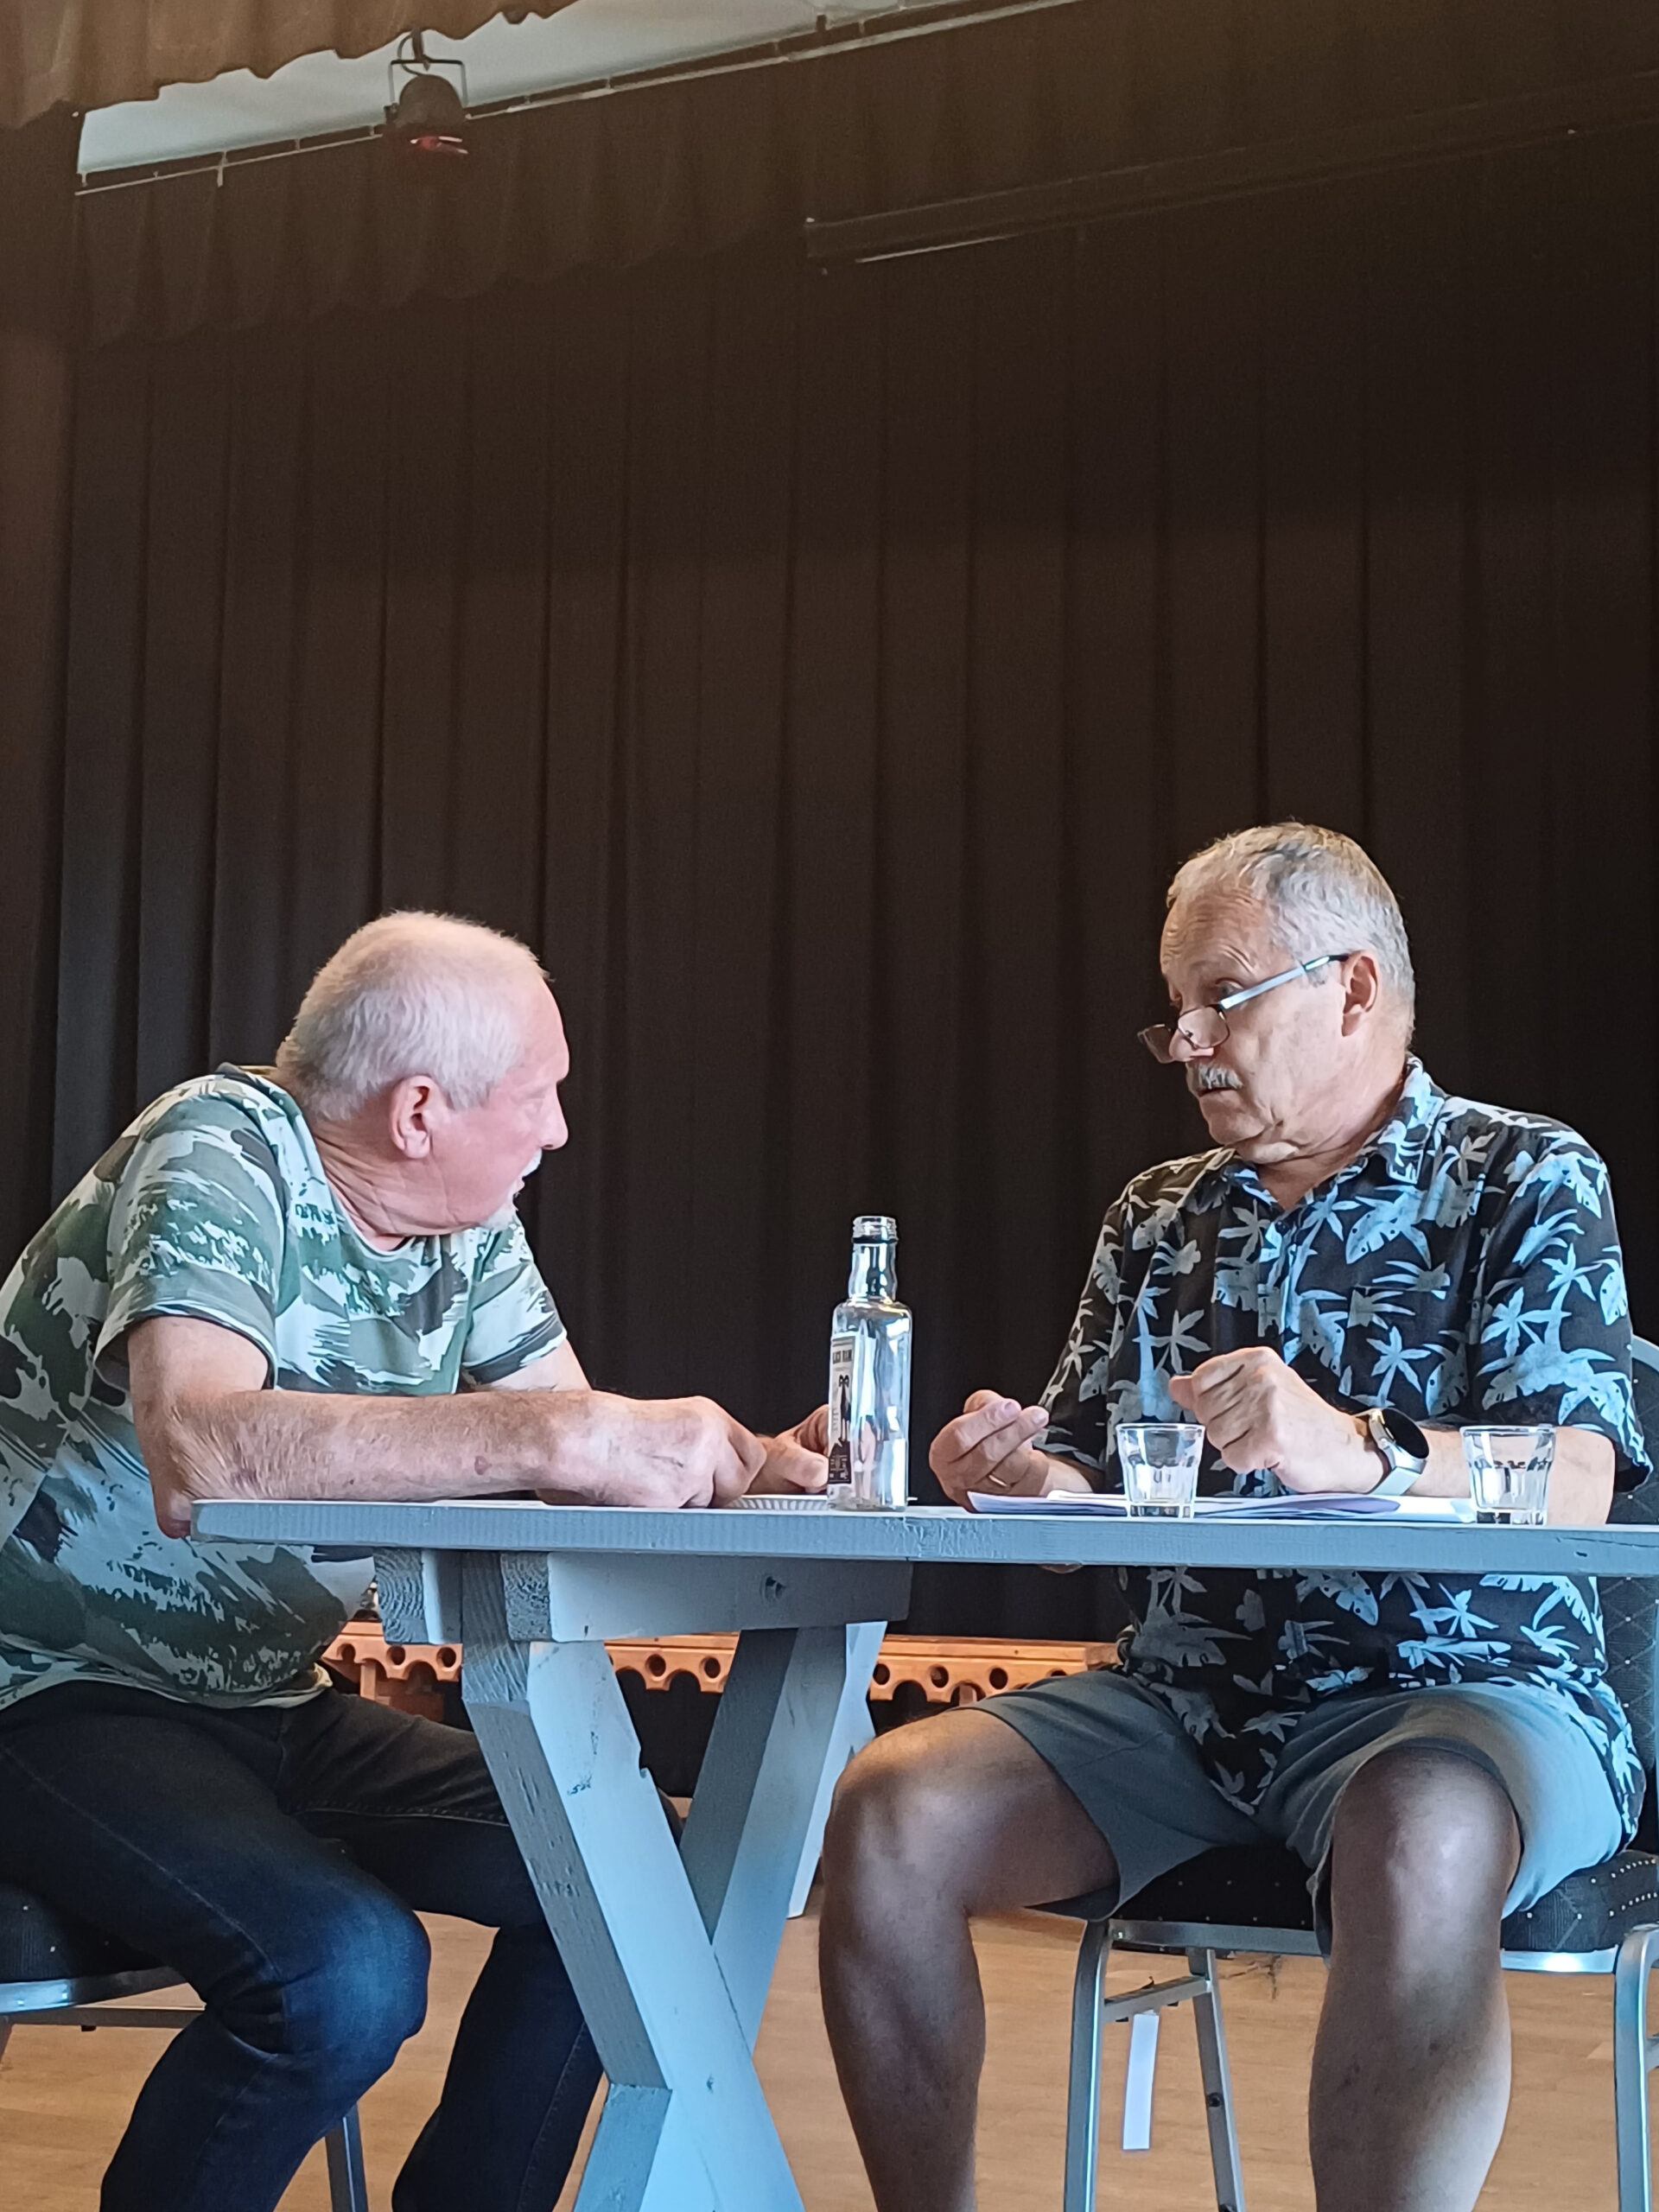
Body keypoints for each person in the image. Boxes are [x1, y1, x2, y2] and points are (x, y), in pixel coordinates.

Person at [818, 823, 1648, 2212]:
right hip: (1186, 1707)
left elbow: (1579, 1476)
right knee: (888, 1812)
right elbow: (1087, 1468)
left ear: (1355, 988)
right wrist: (1020, 1475)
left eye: (1223, 997)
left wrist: (1360, 1450)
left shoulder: (1521, 1177)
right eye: (1175, 1009)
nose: (1189, 1040)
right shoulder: (1157, 1215)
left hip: (1469, 1698)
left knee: (1418, 1831)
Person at [0, 911, 825, 2212]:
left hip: (265, 1703)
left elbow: (572, 1451)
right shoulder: (219, 1147)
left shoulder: (466, 1227)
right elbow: (202, 1449)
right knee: (346, 1970)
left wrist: (750, 1464)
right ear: (420, 1112)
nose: (560, 1131)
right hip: (47, 1692)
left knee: (635, 1886)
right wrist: (563, 1436)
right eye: (539, 1096)